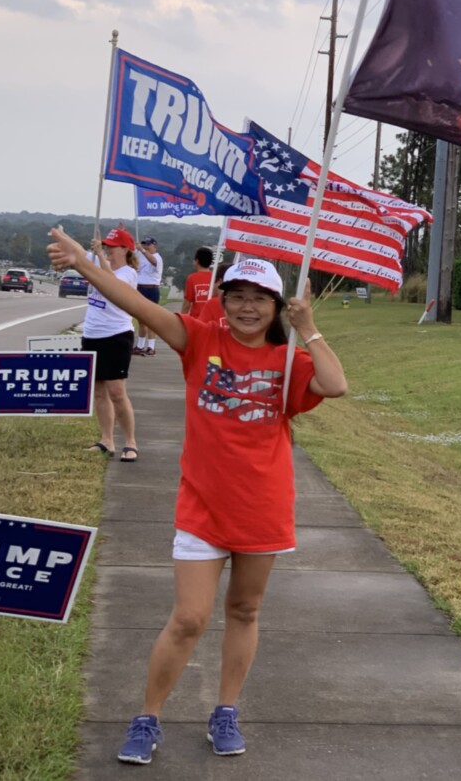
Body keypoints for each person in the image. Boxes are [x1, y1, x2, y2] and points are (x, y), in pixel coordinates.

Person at [45, 232, 347, 766]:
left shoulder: (288, 359)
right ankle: (148, 717)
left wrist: (310, 330)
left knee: (245, 610)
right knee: (188, 618)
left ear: (276, 305)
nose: (247, 306)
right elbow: (135, 302)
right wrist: (84, 265)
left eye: (259, 297)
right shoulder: (201, 340)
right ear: (222, 300)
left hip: (263, 507)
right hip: (203, 508)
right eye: (236, 295)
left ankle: (225, 710)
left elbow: (335, 384)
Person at [81, 227, 140, 463]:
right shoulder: (100, 265)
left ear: (125, 249)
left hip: (116, 336)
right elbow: (77, 258)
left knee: (117, 392)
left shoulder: (129, 273)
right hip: (92, 334)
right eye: (105, 246)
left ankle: (130, 441)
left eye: (112, 247)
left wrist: (101, 260)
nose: (107, 250)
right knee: (98, 391)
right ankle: (107, 440)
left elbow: (112, 283)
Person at [133, 236, 164, 356]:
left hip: (152, 289)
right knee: (141, 320)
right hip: (140, 288)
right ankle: (140, 345)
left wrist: (142, 250)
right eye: (144, 244)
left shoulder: (157, 257)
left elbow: (153, 262)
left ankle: (151, 346)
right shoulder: (140, 254)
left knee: (151, 319)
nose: (145, 246)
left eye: (148, 245)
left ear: (154, 246)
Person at [182, 246, 214, 318]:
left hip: (197, 321)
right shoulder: (215, 278)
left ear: (197, 261)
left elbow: (187, 304)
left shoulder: (192, 278)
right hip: (213, 321)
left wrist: (182, 320)